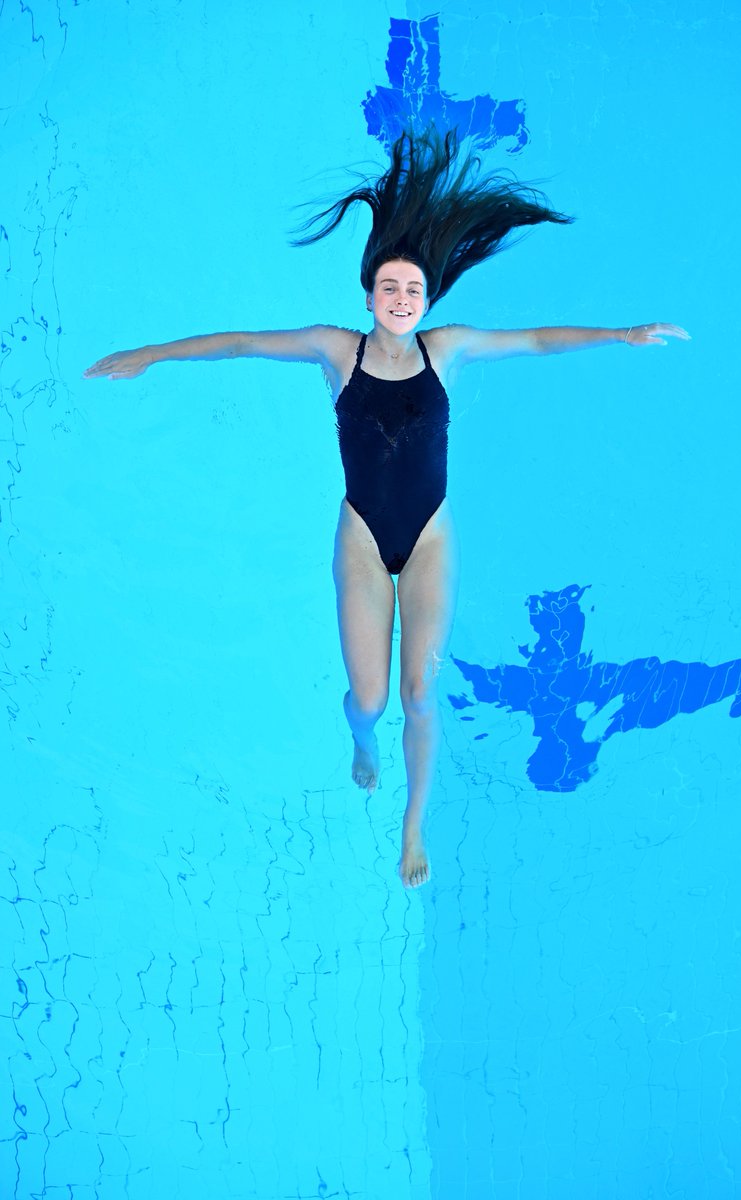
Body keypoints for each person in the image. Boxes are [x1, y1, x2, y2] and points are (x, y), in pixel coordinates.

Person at [84, 129, 689, 890]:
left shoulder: (450, 348)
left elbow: (535, 340)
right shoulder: (338, 352)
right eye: (390, 289)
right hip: (365, 538)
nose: (403, 301)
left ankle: (413, 828)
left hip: (430, 535)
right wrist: (153, 355)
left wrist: (621, 334)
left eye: (414, 291)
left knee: (420, 692)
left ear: (428, 298)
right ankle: (363, 745)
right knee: (369, 700)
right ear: (368, 292)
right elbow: (240, 341)